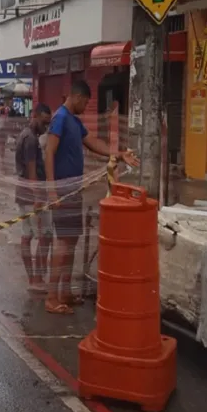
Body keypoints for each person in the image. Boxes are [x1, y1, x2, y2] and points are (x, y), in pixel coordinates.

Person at [44, 80, 139, 315]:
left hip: (74, 190)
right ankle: (51, 297)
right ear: (77, 97)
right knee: (62, 243)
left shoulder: (74, 121)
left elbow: (93, 142)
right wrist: (52, 190)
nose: (86, 106)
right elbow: (49, 152)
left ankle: (64, 291)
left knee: (72, 241)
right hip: (63, 190)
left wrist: (118, 153)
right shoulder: (61, 118)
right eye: (85, 102)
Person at [15, 103, 53, 294]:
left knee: (27, 236)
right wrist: (38, 197)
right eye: (44, 122)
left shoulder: (25, 135)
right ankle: (37, 278)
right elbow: (31, 170)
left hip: (22, 194)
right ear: (35, 116)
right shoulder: (30, 139)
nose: (45, 127)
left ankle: (32, 279)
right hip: (32, 195)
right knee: (45, 236)